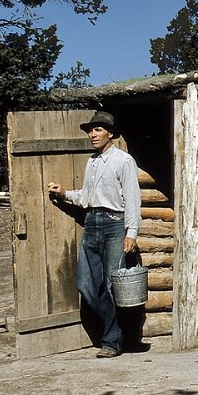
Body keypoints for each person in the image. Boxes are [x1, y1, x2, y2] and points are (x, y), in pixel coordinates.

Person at [47, 110, 141, 358]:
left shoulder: (124, 161)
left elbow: (132, 199)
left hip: (113, 224)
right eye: (90, 130)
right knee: (86, 286)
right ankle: (119, 332)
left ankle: (111, 341)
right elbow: (87, 197)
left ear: (110, 133)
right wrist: (64, 193)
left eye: (98, 129)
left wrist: (131, 232)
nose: (92, 134)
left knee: (112, 287)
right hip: (92, 223)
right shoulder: (92, 162)